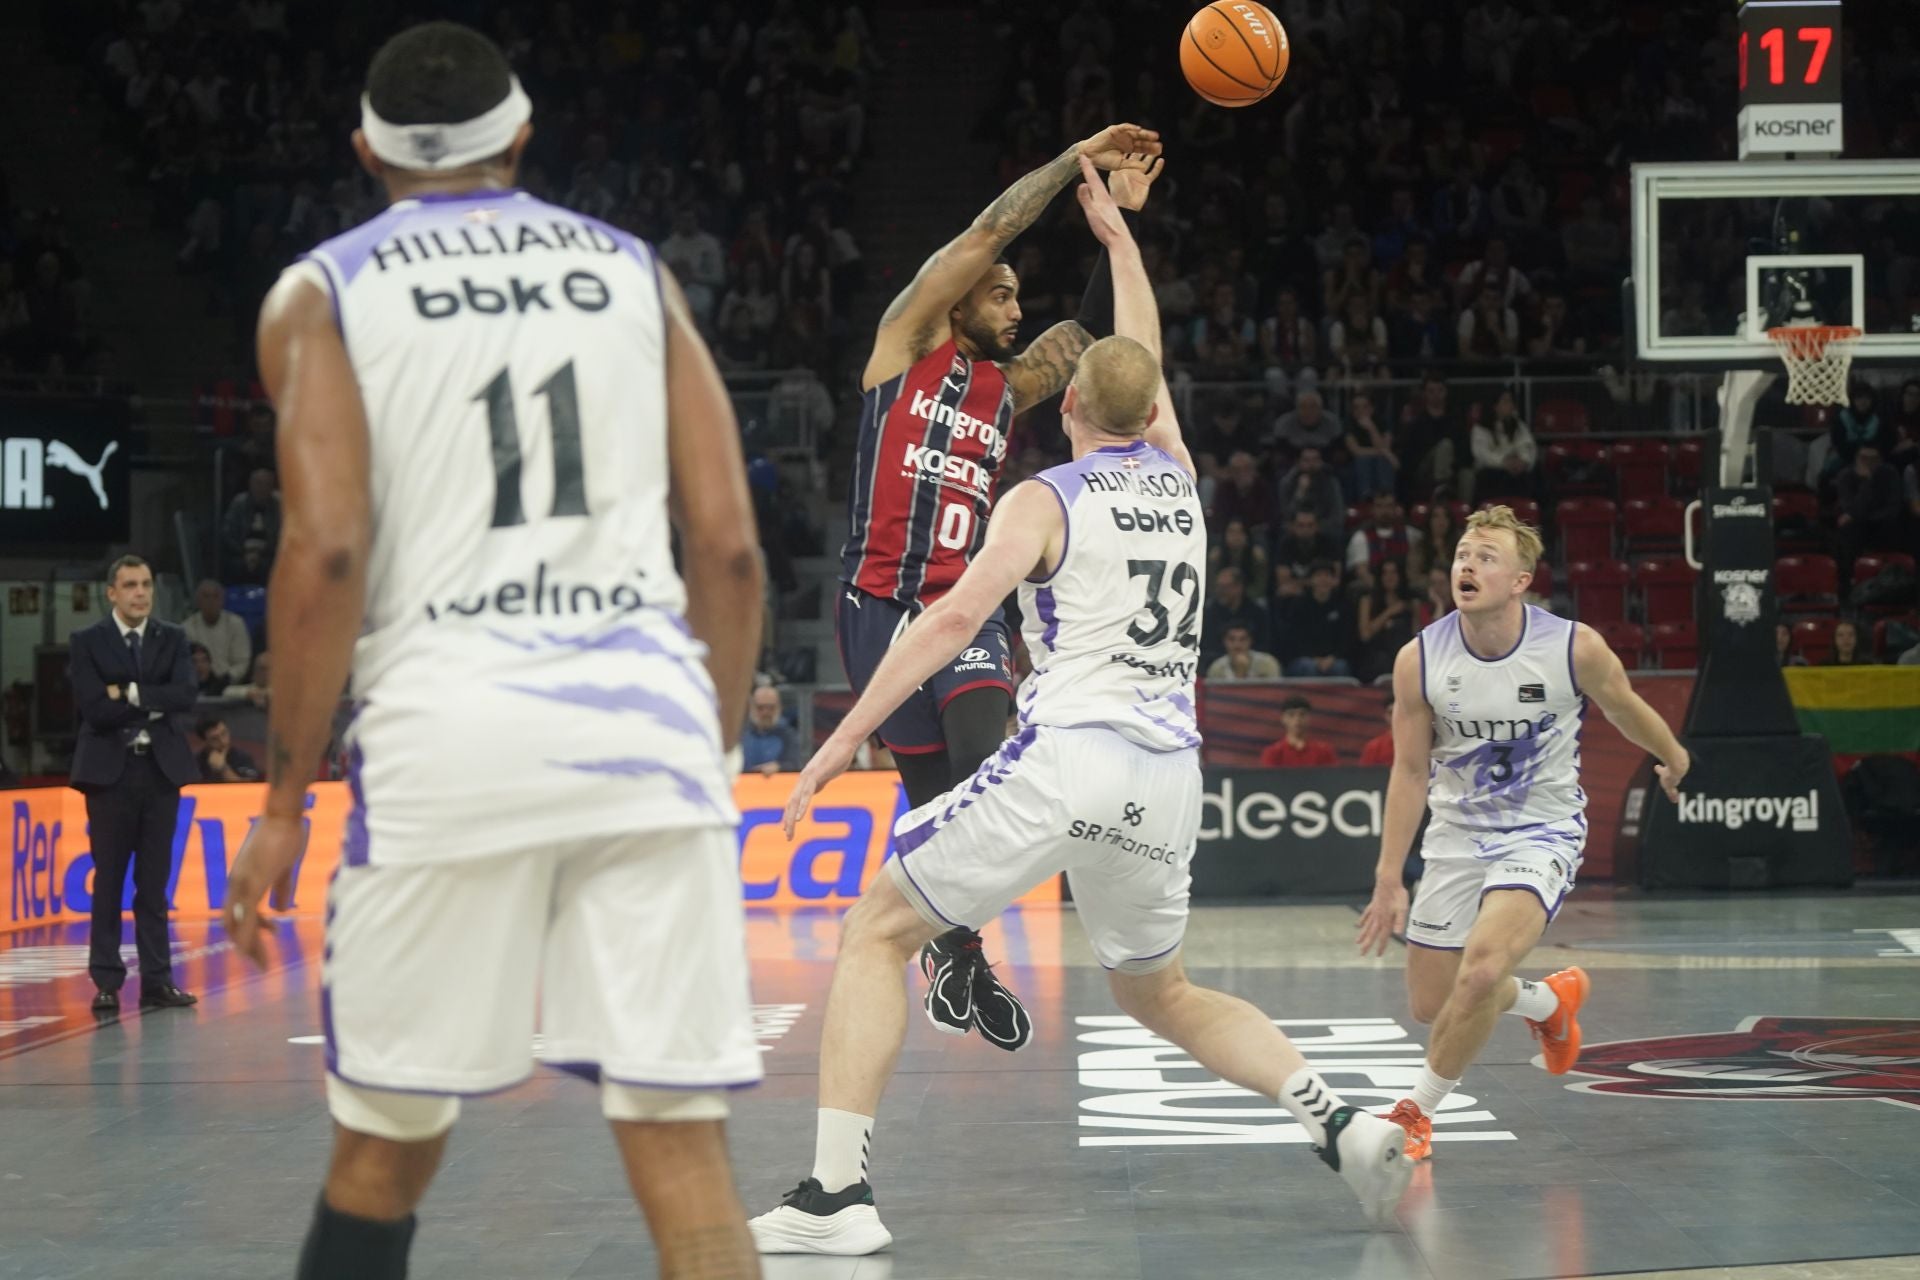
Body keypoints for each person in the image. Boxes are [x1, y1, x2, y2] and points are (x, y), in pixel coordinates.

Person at [750, 168, 1411, 1254]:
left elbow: (948, 619)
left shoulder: (1042, 495)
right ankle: (1339, 1124)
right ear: (1154, 411)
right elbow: (1142, 363)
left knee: (873, 931)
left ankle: (836, 1195)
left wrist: (832, 739)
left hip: (1071, 758)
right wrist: (1122, 247)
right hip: (1169, 779)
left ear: (1065, 406)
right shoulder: (1182, 478)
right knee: (1165, 992)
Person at [219, 24, 767, 1279]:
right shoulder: (634, 272)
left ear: (364, 152)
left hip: (445, 734)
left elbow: (328, 554)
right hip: (644, 731)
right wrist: (707, 748)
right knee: (683, 1152)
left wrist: (285, 800)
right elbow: (730, 549)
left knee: (387, 1142)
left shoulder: (320, 293)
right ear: (521, 136)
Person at [835, 113, 1162, 1050]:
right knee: (930, 799)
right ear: (959, 297)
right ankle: (959, 953)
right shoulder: (904, 347)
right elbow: (986, 236)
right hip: (876, 610)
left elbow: (1097, 340)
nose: (1017, 307)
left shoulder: (1008, 388)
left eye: (1020, 296)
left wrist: (1117, 220)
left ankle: (960, 948)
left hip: (961, 607)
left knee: (985, 760)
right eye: (1004, 294)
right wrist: (1071, 162)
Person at [1357, 506, 1691, 1162]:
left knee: (1480, 969)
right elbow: (1411, 769)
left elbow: (1625, 708)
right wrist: (1388, 874)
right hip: (1455, 835)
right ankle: (1546, 1002)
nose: (1467, 566)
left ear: (1520, 581)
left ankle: (1415, 1112)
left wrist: (1674, 757)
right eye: (1461, 554)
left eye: (1485, 556)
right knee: (1432, 1002)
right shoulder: (1418, 660)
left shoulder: (1572, 647)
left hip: (1541, 831)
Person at [68, 555, 201, 1013]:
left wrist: (127, 692)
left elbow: (185, 695)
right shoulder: (87, 641)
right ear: (112, 592)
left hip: (160, 772)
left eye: (145, 584)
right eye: (130, 585)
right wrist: (152, 703)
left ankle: (157, 981)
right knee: (108, 881)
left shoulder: (173, 637)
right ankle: (106, 980)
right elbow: (94, 710)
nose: (140, 593)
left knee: (153, 883)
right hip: (110, 775)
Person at [1278, 560, 1354, 677]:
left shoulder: (1343, 605)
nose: (1323, 580)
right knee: (1309, 668)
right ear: (1310, 580)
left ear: (1334, 580)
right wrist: (1315, 659)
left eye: (1328, 575)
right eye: (1318, 576)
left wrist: (1332, 658)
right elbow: (1294, 639)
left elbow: (1347, 638)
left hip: (1334, 659)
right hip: (1304, 659)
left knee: (1341, 667)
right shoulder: (1298, 605)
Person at [1347, 492, 1423, 593]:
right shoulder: (1361, 537)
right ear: (1372, 509)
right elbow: (1362, 572)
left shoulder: (1410, 534)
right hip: (1374, 590)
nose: (1384, 511)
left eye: (1389, 506)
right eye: (1380, 506)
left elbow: (1415, 567)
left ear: (1396, 509)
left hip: (1404, 589)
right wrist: (1383, 592)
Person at [182, 577, 253, 684]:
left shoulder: (236, 624)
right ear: (198, 601)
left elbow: (242, 661)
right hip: (197, 686)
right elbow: (185, 663)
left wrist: (227, 678)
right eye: (206, 596)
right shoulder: (186, 627)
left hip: (230, 685)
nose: (211, 601)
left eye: (216, 596)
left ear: (223, 600)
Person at [1470, 389, 1537, 502]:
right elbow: (1482, 455)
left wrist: (1523, 461)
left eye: (1511, 402)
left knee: (1531, 475)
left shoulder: (1519, 426)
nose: (1511, 405)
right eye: (1506, 402)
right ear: (1495, 406)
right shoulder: (1480, 429)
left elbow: (1527, 447)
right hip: (1491, 473)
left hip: (1516, 472)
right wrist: (1504, 462)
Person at [1357, 558, 1417, 682]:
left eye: (1393, 572)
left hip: (1403, 655)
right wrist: (1389, 613)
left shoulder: (1411, 603)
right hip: (1376, 657)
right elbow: (1365, 635)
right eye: (1385, 573)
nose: (1389, 577)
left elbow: (1416, 634)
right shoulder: (1368, 601)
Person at [1201, 566, 1272, 669]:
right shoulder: (1210, 612)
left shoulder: (1257, 612)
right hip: (1217, 664)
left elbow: (1264, 644)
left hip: (1253, 664)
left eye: (1225, 587)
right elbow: (1207, 645)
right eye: (1219, 587)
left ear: (1239, 587)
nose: (1220, 591)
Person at [1343, 392, 1398, 502]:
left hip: (1379, 462)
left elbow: (1386, 445)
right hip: (1356, 464)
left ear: (1372, 408)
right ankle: (1365, 498)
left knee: (1382, 461)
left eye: (1365, 407)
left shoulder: (1382, 422)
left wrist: (1371, 428)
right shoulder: (1348, 424)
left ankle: (1385, 497)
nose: (1360, 411)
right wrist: (1388, 454)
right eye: (1356, 407)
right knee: (1364, 460)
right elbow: (1356, 451)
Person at [1258, 694, 1338, 767]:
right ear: (1283, 719)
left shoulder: (1325, 752)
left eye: (1302, 714)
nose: (1297, 720)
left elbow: (1334, 780)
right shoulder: (1272, 753)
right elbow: (1269, 782)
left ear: (1309, 718)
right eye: (1291, 715)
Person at [1207, 518, 1271, 604]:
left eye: (1240, 532)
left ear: (1247, 535)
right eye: (1231, 532)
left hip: (1250, 598)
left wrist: (1239, 595)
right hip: (1221, 597)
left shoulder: (1256, 556)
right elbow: (1210, 587)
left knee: (1261, 602)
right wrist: (1227, 593)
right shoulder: (1216, 556)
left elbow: (1260, 587)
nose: (1236, 536)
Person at [741, 685, 802, 774]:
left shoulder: (789, 736)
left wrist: (779, 767)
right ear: (751, 708)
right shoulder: (740, 736)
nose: (766, 713)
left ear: (779, 707)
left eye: (771, 708)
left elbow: (795, 764)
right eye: (760, 708)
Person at [195, 714, 261, 782]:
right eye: (214, 739)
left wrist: (223, 769)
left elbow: (249, 788)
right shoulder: (195, 763)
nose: (223, 742)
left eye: (224, 733)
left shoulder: (243, 757)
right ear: (204, 741)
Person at [1206, 621, 1281, 681]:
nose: (1237, 645)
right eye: (1231, 639)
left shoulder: (1267, 664)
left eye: (1243, 639)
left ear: (1250, 641)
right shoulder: (1216, 668)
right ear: (1224, 641)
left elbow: (1274, 694)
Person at [1358, 694, 1395, 765]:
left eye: (1399, 712)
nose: (1395, 716)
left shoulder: (1419, 745)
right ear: (1385, 716)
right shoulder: (1374, 748)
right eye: (1391, 712)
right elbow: (1363, 775)